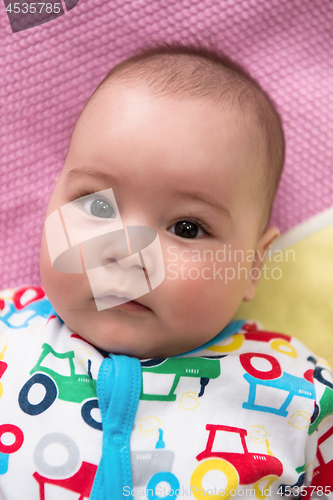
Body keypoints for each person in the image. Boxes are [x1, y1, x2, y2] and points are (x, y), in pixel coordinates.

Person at [0, 43, 332, 500]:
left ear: (253, 264)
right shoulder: (7, 333)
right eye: (97, 206)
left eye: (187, 227)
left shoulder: (301, 394)